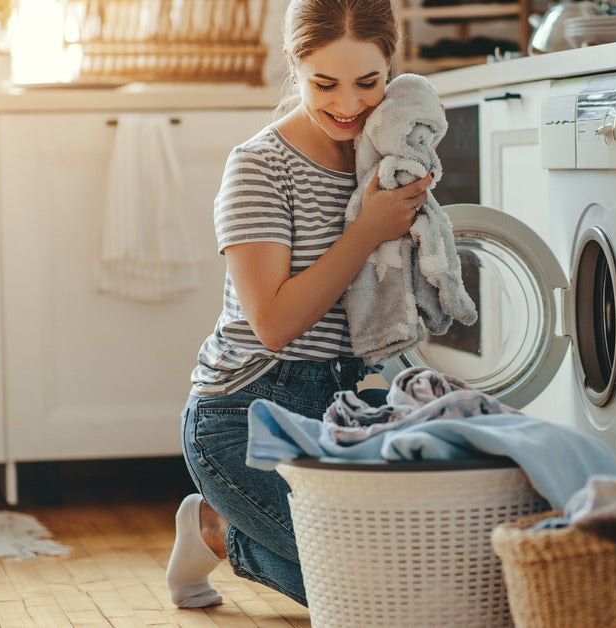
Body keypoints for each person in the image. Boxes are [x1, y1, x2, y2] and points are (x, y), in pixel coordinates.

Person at [165, 0, 436, 609]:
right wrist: (365, 230)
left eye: (368, 83)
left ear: (391, 66)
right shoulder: (259, 167)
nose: (347, 105)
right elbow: (276, 325)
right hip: (244, 418)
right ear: (293, 63)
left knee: (424, 565)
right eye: (324, 83)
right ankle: (215, 526)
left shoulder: (387, 157)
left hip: (343, 404)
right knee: (372, 599)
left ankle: (230, 527)